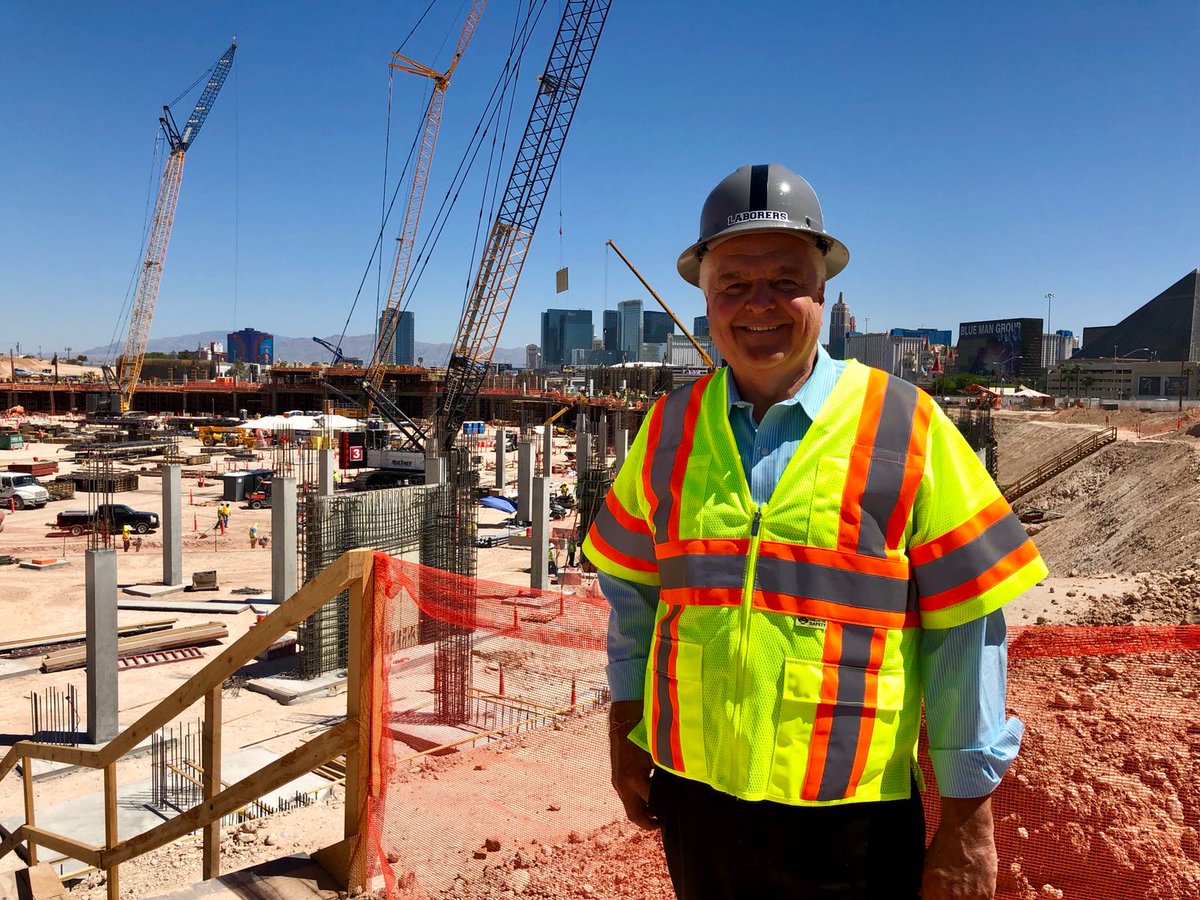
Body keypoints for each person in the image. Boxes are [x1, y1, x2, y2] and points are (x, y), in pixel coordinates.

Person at [583, 163, 1047, 900]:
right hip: (696, 803)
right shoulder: (668, 430)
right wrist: (624, 725)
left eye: (785, 279)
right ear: (704, 297)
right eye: (734, 283)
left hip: (852, 825)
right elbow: (633, 595)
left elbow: (967, 634)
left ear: (823, 292)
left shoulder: (909, 427)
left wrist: (966, 820)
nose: (758, 304)